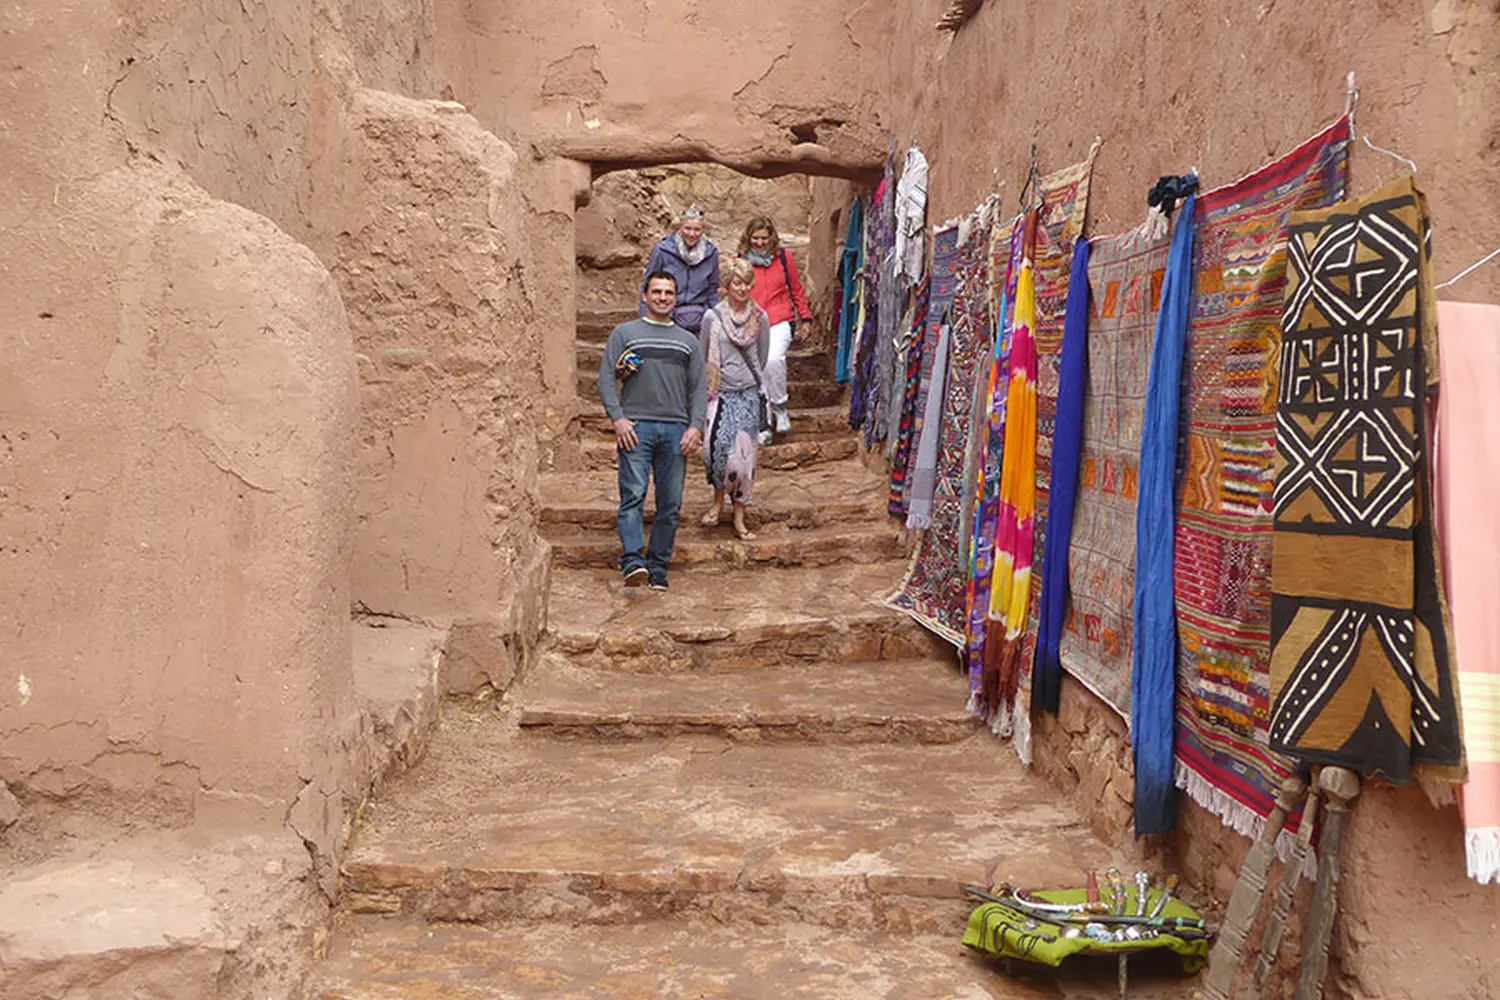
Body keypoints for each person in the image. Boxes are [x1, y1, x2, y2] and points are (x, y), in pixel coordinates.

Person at [598, 271, 707, 591]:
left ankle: (658, 566)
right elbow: (606, 378)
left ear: (676, 298)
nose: (662, 297)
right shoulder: (624, 333)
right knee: (632, 496)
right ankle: (633, 561)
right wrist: (618, 419)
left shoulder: (688, 341)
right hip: (636, 428)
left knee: (671, 503)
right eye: (656, 292)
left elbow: (699, 388)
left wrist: (695, 427)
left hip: (675, 430)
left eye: (668, 293)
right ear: (644, 296)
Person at [699, 258, 771, 541]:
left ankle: (739, 515)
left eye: (746, 283)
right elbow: (705, 354)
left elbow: (762, 356)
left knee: (744, 460)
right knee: (714, 453)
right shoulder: (712, 318)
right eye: (737, 283)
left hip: (747, 395)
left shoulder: (760, 318)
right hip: (719, 394)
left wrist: (747, 379)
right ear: (727, 286)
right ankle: (717, 502)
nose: (742, 288)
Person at [739, 215, 813, 437]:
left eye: (764, 238)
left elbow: (796, 289)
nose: (759, 243)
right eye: (755, 238)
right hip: (752, 320)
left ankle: (780, 407)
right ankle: (764, 423)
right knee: (757, 370)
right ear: (748, 238)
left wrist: (805, 318)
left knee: (773, 360)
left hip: (780, 318)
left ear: (771, 237)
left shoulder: (783, 257)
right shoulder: (742, 260)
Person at [641, 207, 720, 335]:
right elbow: (648, 285)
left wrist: (717, 318)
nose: (692, 234)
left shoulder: (711, 254)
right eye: (688, 228)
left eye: (697, 229)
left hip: (700, 318)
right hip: (668, 313)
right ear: (680, 228)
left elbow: (713, 289)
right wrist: (646, 320)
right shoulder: (663, 250)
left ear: (703, 231)